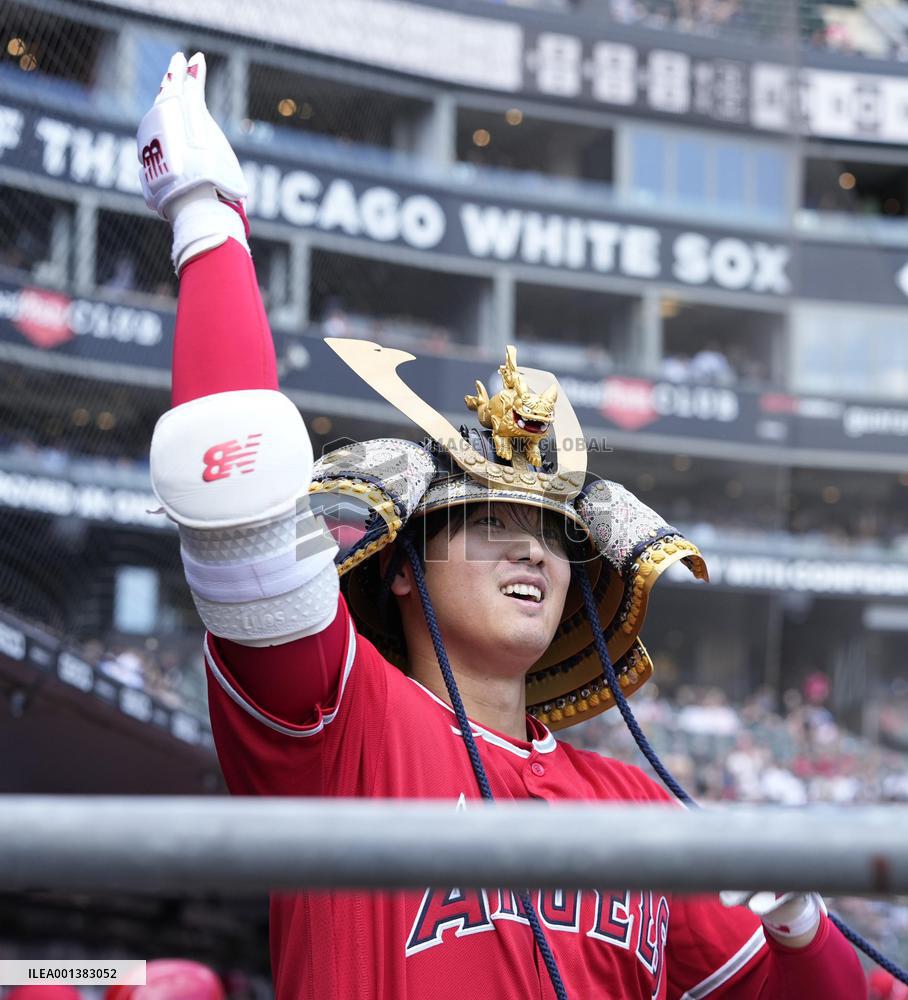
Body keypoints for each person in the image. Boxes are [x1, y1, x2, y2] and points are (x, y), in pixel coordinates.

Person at [141, 52, 865, 1000]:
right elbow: (230, 473)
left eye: (557, 533)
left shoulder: (638, 805)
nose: (534, 548)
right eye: (487, 521)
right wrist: (205, 217)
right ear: (401, 567)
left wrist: (803, 932)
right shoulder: (339, 724)